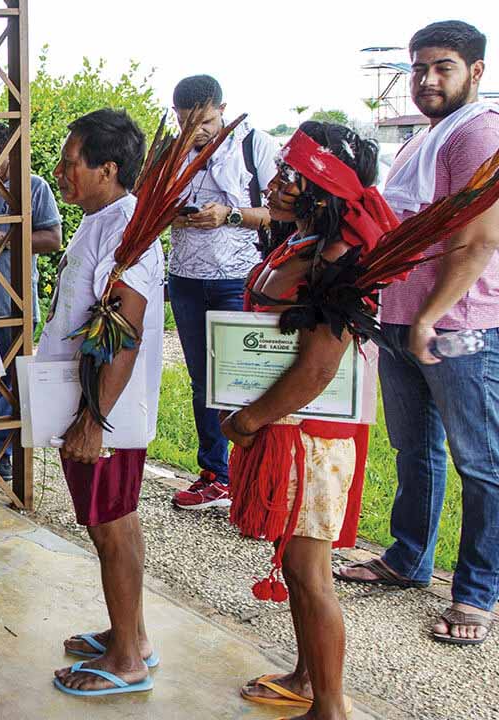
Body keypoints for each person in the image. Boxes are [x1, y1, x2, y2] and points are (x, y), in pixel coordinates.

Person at [336, 20, 499, 646]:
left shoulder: (478, 132)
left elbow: (479, 237)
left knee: (480, 461)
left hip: (460, 325)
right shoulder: (422, 139)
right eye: (420, 67)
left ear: (475, 72)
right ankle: (408, 559)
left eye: (444, 67)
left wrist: (430, 314)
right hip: (402, 316)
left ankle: (478, 592)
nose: (428, 79)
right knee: (416, 447)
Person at [227, 122, 392, 720]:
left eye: (289, 175)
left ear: (322, 188)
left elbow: (320, 365)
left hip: (313, 435)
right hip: (289, 426)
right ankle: (305, 675)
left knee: (306, 567)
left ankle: (330, 707)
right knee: (297, 565)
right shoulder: (304, 243)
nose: (273, 183)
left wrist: (248, 419)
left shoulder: (339, 255)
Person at [43, 110, 163, 696]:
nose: (63, 173)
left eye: (71, 164)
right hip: (92, 408)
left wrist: (94, 421)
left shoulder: (125, 231)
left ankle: (126, 661)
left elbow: (125, 330)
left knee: (110, 527)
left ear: (107, 169)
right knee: (116, 522)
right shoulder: (105, 220)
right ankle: (130, 635)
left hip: (103, 414)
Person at [165, 75, 280, 511]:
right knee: (202, 383)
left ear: (223, 108)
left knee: (245, 381)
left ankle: (257, 480)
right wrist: (175, 216)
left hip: (240, 277)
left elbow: (279, 212)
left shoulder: (256, 146)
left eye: (207, 121)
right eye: (186, 123)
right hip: (186, 278)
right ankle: (215, 473)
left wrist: (230, 216)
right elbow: (148, 207)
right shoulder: (171, 152)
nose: (197, 132)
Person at [0, 120, 63, 482]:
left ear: (8, 153)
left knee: (11, 381)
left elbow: (53, 239)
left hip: (13, 305)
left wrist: (7, 237)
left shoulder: (32, 187)